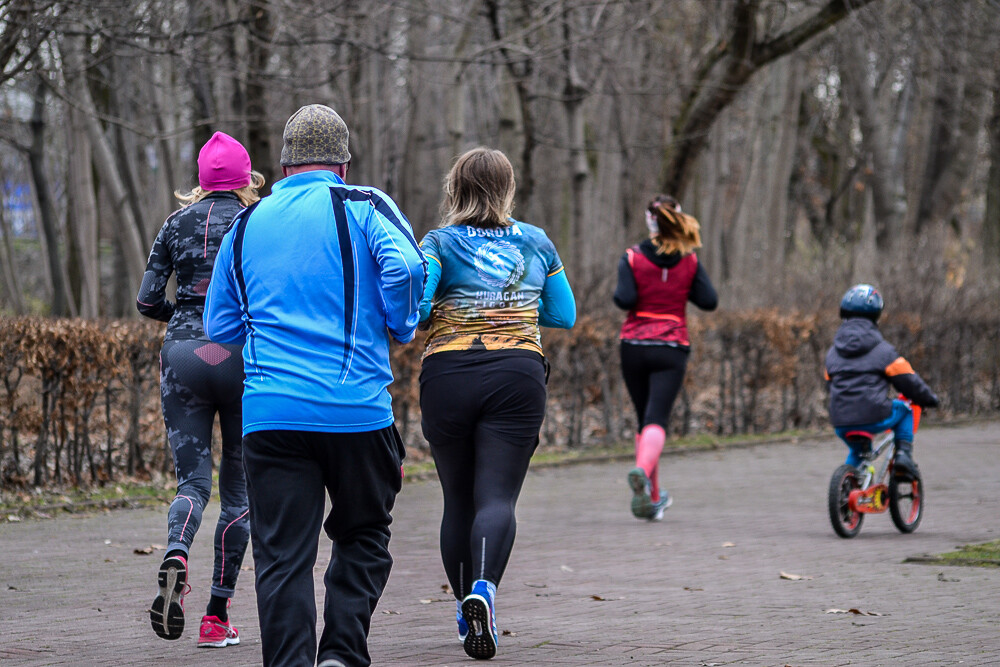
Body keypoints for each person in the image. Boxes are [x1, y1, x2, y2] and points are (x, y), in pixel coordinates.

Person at [203, 104, 425, 667]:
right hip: (357, 412)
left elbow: (218, 327)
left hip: (272, 416)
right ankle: (342, 656)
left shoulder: (247, 222)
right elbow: (408, 269)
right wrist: (399, 323)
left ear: (282, 168)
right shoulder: (365, 204)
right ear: (343, 165)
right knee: (364, 534)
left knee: (282, 556)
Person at [417, 147, 576, 660]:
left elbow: (415, 311)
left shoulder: (437, 243)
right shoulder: (536, 241)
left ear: (454, 187)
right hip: (517, 374)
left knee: (456, 501)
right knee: (497, 499)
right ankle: (485, 590)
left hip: (448, 373)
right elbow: (564, 314)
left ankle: (466, 615)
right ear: (507, 188)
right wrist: (515, 310)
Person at [137, 131, 264, 647]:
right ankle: (216, 617)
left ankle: (176, 552)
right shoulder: (257, 223)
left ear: (201, 180)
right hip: (239, 356)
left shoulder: (172, 223)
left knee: (192, 484)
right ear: (245, 181)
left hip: (184, 356)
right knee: (238, 492)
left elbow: (147, 301)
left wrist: (183, 323)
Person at [613, 194, 717, 521]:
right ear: (679, 218)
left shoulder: (631, 258)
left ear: (650, 221)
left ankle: (652, 498)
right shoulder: (689, 259)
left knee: (644, 420)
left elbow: (624, 298)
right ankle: (643, 472)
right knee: (656, 419)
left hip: (633, 344)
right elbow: (709, 301)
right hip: (671, 346)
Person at [824, 284, 939, 475]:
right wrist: (929, 399)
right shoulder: (883, 351)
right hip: (873, 415)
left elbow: (830, 384)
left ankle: (848, 487)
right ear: (876, 316)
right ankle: (904, 455)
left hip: (840, 420)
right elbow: (909, 381)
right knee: (905, 410)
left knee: (857, 451)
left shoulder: (832, 353)